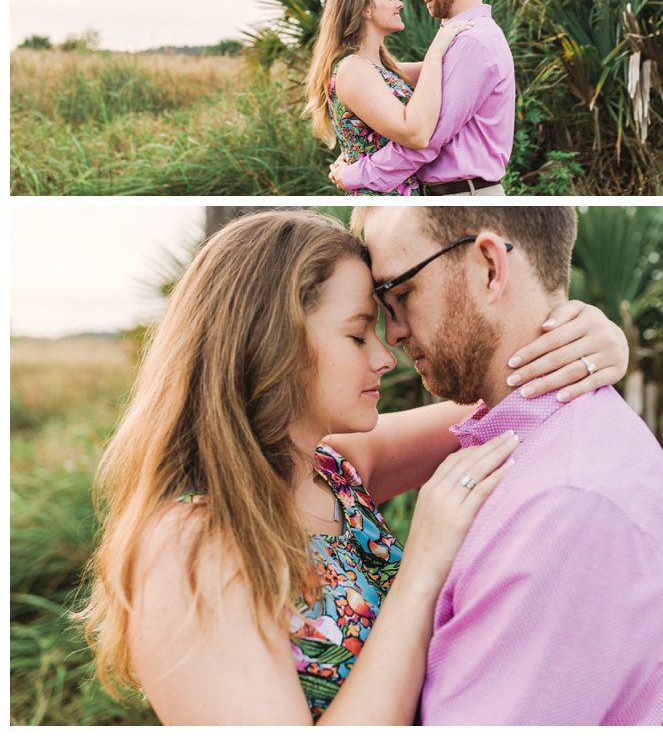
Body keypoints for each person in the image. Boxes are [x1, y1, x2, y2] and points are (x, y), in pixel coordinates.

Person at [77, 209, 629, 725]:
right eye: (357, 332)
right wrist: (423, 565)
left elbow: (501, 399)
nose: (385, 356)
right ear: (273, 341)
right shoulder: (189, 543)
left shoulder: (333, 471)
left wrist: (596, 343)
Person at [354, 205, 663, 726]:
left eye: (400, 295)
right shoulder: (517, 442)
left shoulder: (569, 508)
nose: (393, 334)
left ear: (491, 268)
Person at [330, 0, 515, 196]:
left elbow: (425, 139)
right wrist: (352, 150)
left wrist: (353, 173)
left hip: (462, 195)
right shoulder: (462, 38)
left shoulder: (471, 42)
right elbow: (379, 82)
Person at [304, 0, 473, 196]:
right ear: (365, 9)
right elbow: (415, 134)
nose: (399, 4)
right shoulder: (352, 69)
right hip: (385, 203)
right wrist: (435, 51)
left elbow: (449, 70)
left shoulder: (381, 70)